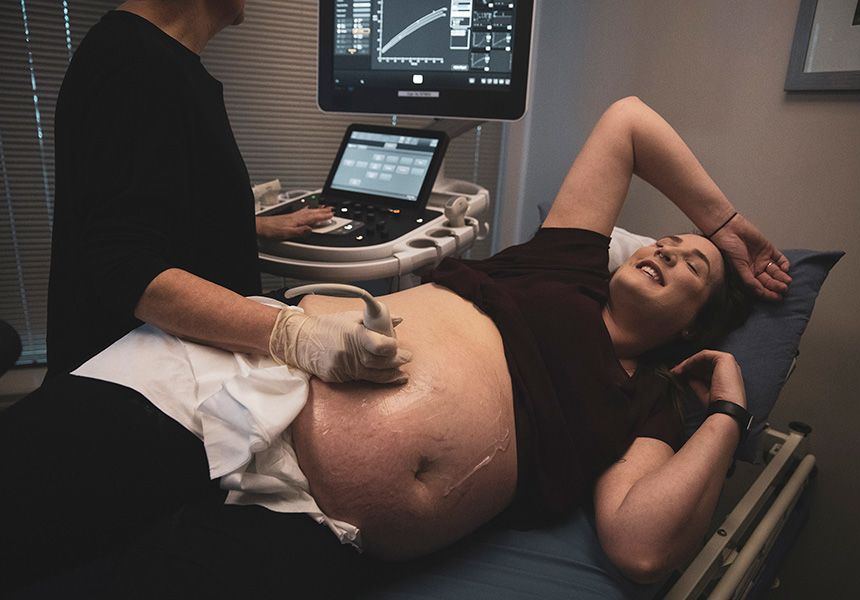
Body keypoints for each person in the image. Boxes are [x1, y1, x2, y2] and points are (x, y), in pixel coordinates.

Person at [1, 97, 792, 597]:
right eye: (666, 239)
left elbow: (641, 548)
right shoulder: (568, 266)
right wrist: (724, 227)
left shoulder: (648, 401)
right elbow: (628, 121)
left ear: (694, 324)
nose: (665, 250)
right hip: (226, 386)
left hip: (313, 526)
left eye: (693, 263)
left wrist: (725, 406)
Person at [46, 0, 406, 385]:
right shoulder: (132, 63)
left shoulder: (155, 58)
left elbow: (153, 206)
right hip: (133, 384)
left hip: (176, 354)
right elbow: (123, 264)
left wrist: (250, 225)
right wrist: (292, 336)